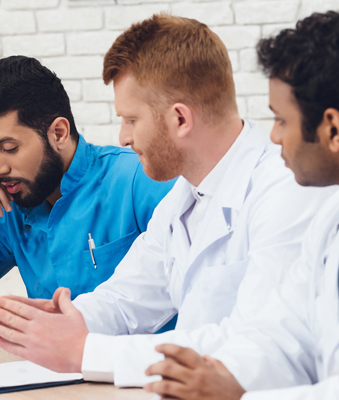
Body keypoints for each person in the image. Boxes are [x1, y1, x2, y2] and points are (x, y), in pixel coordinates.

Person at [0, 14, 333, 384]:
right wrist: (62, 321)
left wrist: (85, 351)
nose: (123, 137)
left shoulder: (288, 191)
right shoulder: (183, 198)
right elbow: (127, 298)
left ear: (180, 119)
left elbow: (258, 347)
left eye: (131, 119)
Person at [144, 11, 339, 400]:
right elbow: (285, 333)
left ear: (332, 129)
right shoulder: (330, 217)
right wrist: (223, 376)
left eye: (282, 120)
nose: (274, 136)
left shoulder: (291, 193)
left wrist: (240, 396)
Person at [0, 56, 176, 319]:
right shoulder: (9, 207)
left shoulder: (139, 179)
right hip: (50, 367)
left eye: (8, 148)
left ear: (58, 133)